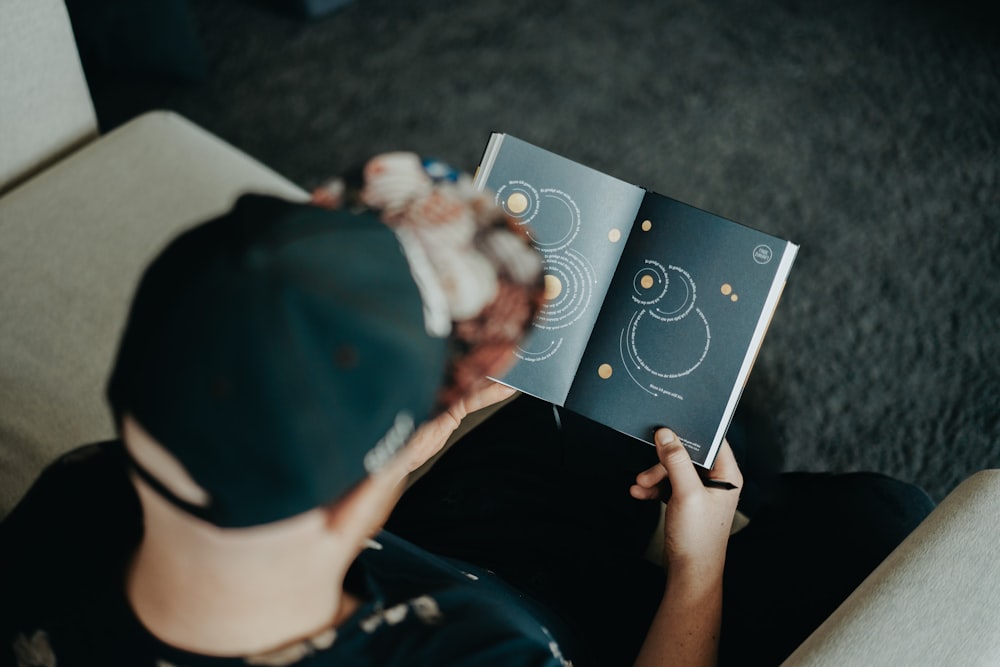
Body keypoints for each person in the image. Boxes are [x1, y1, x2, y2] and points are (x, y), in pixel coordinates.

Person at [0, 153, 932, 667]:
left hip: (421, 535)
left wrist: (411, 444)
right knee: (881, 520)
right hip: (568, 614)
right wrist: (697, 571)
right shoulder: (484, 654)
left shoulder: (81, 497)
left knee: (597, 427)